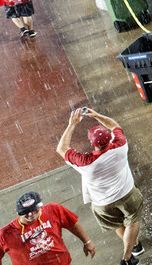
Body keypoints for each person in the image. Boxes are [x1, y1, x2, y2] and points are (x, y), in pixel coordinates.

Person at [58, 109, 145, 265]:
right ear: (109, 139)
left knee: (118, 224)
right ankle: (127, 256)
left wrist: (72, 124)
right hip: (127, 194)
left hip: (102, 204)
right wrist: (97, 115)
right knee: (133, 220)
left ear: (92, 143)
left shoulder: (85, 162)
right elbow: (115, 125)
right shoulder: (120, 145)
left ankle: (133, 246)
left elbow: (61, 148)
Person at [0, 191, 96, 265]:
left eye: (34, 210)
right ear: (17, 212)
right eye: (26, 212)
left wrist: (87, 241)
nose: (31, 214)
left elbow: (72, 224)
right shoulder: (4, 234)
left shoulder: (53, 209)